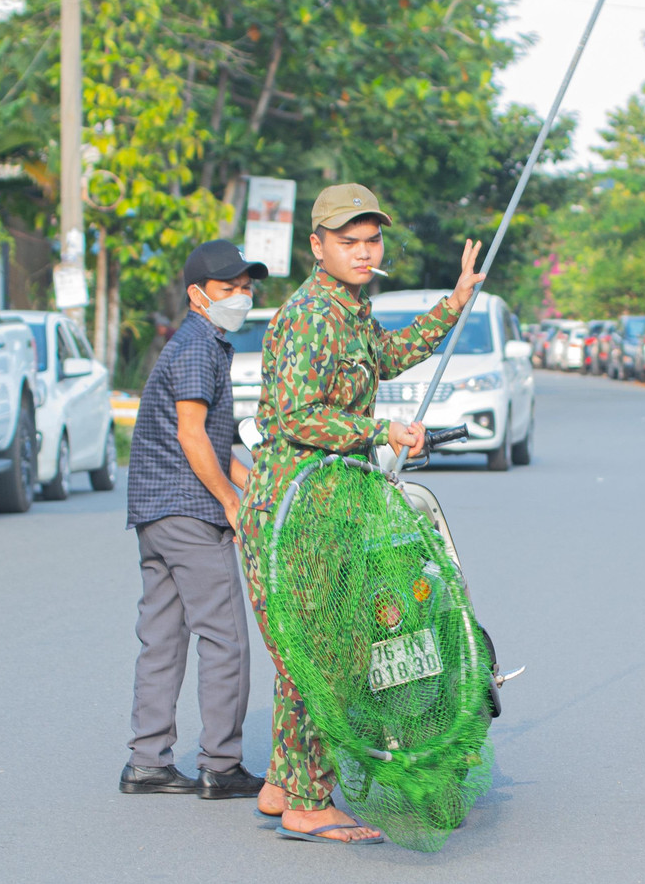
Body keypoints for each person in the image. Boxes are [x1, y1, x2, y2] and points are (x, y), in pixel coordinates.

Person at [243, 184, 485, 843]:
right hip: (295, 511)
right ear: (317, 246)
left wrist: (455, 303)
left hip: (332, 506)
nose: (362, 251)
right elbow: (292, 417)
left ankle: (282, 783)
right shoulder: (307, 315)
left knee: (309, 653)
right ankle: (306, 802)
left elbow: (393, 355)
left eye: (371, 240)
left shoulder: (350, 310)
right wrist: (382, 431)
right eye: (347, 241)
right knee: (321, 657)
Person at [120, 239, 271, 799]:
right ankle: (222, 764)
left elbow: (213, 438)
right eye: (229, 287)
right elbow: (190, 435)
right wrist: (231, 501)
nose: (241, 296)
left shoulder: (201, 345)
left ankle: (147, 761)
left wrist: (257, 487)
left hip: (155, 512)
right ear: (196, 295)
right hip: (188, 511)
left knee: (161, 638)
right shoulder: (197, 348)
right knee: (226, 637)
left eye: (246, 287)